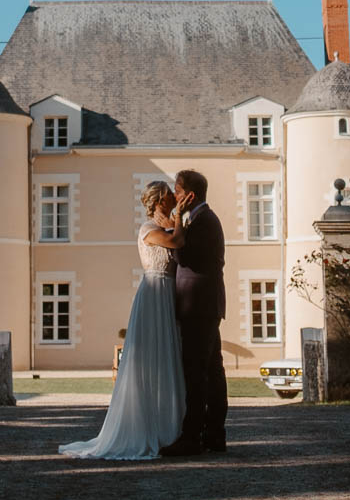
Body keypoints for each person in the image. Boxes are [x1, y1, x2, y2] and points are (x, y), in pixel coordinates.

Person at [58, 181, 187, 460]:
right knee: (152, 356)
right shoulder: (149, 230)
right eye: (168, 196)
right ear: (158, 201)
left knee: (166, 357)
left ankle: (169, 426)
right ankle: (146, 427)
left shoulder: (164, 227)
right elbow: (177, 242)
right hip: (154, 293)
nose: (172, 200)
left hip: (168, 295)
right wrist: (180, 219)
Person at [158, 168, 228, 456]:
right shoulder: (199, 219)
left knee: (197, 373)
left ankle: (192, 438)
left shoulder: (203, 221)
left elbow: (183, 254)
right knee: (211, 371)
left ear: (190, 194)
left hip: (198, 305)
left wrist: (173, 224)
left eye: (177, 190)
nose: (174, 196)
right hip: (205, 305)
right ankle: (213, 435)